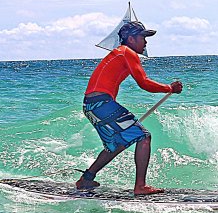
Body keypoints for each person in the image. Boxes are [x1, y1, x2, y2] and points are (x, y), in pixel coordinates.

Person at [76, 20, 183, 195]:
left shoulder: (119, 53)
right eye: (143, 37)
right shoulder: (127, 52)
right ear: (131, 39)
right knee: (144, 136)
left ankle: (86, 179)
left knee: (117, 144)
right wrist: (169, 88)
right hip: (101, 104)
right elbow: (144, 83)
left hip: (91, 105)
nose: (146, 42)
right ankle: (140, 186)